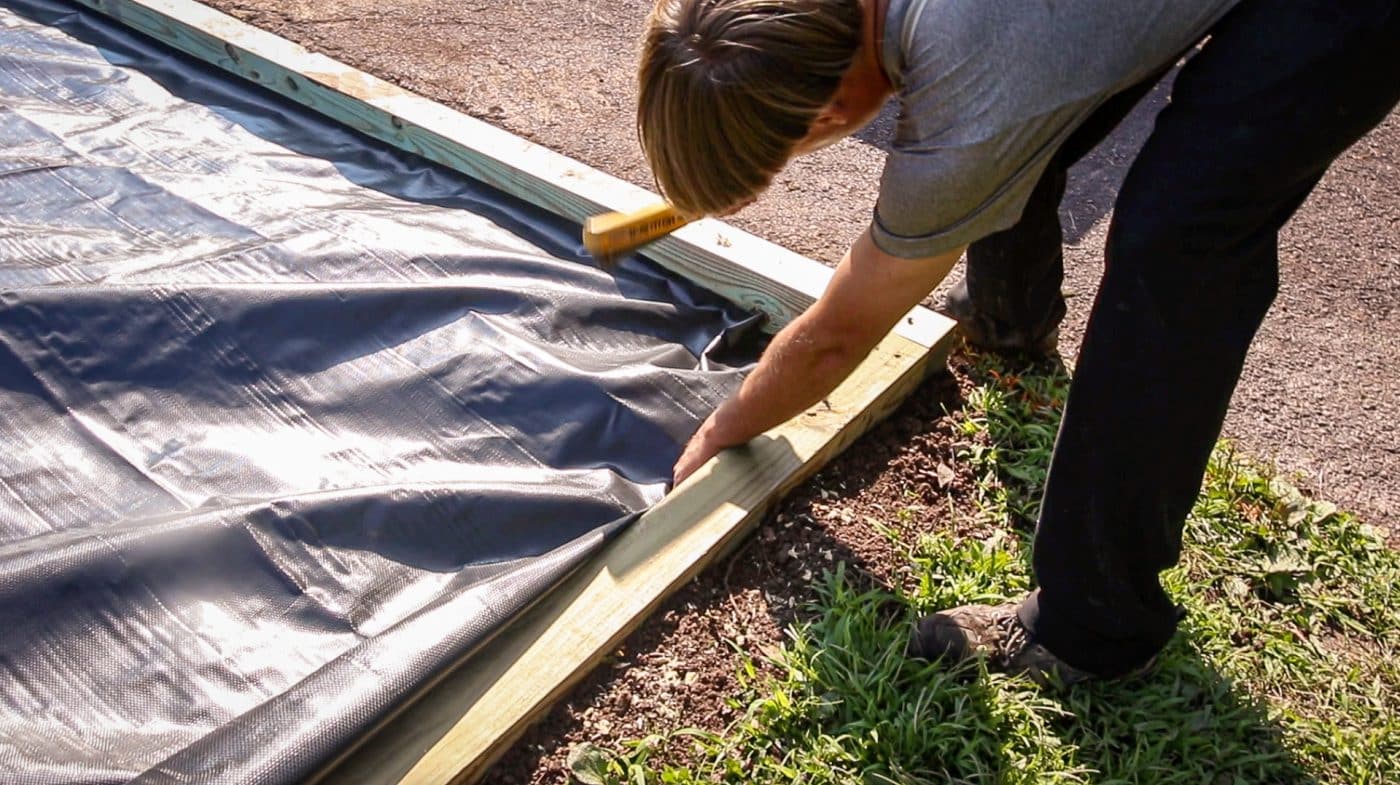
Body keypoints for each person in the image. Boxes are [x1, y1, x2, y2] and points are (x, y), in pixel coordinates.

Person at [638, 0, 1400, 686]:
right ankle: (1009, 318)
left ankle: (1091, 624)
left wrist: (722, 427)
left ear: (829, 112)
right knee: (1034, 117)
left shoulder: (970, 90)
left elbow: (837, 336)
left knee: (1176, 243)